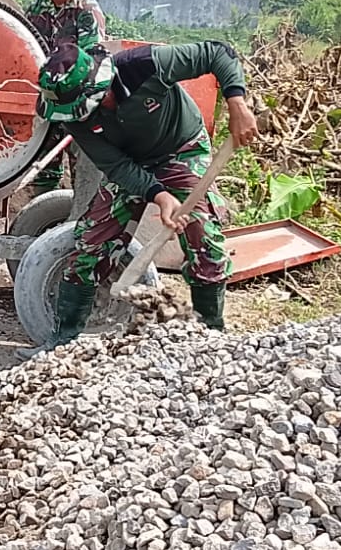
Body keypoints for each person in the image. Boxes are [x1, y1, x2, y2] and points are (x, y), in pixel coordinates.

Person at [30, 38, 259, 348]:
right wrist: (158, 194)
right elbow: (117, 166)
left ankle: (211, 340)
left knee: (203, 237)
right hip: (131, 164)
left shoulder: (145, 65)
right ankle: (62, 341)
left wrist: (237, 102)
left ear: (100, 89)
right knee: (90, 243)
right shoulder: (71, 116)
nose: (78, 118)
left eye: (81, 110)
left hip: (181, 149)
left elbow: (217, 53)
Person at [24, 0, 107, 193]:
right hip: (47, 99)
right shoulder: (37, 10)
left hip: (77, 101)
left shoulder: (86, 11)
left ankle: (79, 216)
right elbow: (26, 48)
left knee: (81, 164)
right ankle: (44, 215)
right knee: (44, 164)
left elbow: (92, 59)